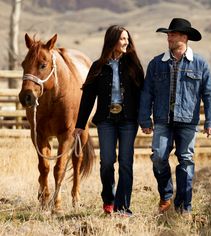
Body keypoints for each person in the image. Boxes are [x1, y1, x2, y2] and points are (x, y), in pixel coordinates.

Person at [138, 18, 211, 218]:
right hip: (163, 120)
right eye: (168, 34)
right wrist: (145, 120)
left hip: (188, 122)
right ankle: (166, 196)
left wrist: (210, 122)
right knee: (158, 157)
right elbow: (147, 93)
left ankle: (184, 207)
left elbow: (209, 95)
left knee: (186, 161)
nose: (169, 37)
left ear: (184, 37)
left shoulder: (200, 64)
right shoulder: (156, 63)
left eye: (172, 34)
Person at [73, 25, 144, 216]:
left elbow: (142, 95)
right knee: (107, 162)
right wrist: (80, 125)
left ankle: (123, 207)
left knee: (125, 162)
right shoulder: (98, 66)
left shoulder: (133, 66)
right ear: (112, 40)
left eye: (127, 39)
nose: (126, 42)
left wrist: (145, 119)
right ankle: (108, 199)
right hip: (105, 121)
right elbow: (87, 98)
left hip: (128, 120)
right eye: (122, 39)